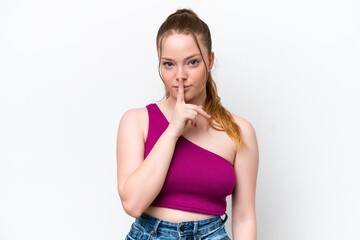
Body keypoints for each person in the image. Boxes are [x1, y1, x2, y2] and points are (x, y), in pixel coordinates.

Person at [116, 8, 259, 240]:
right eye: (169, 64)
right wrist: (173, 130)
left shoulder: (239, 132)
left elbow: (244, 218)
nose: (180, 75)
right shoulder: (136, 121)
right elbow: (132, 203)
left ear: (210, 61)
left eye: (192, 62)